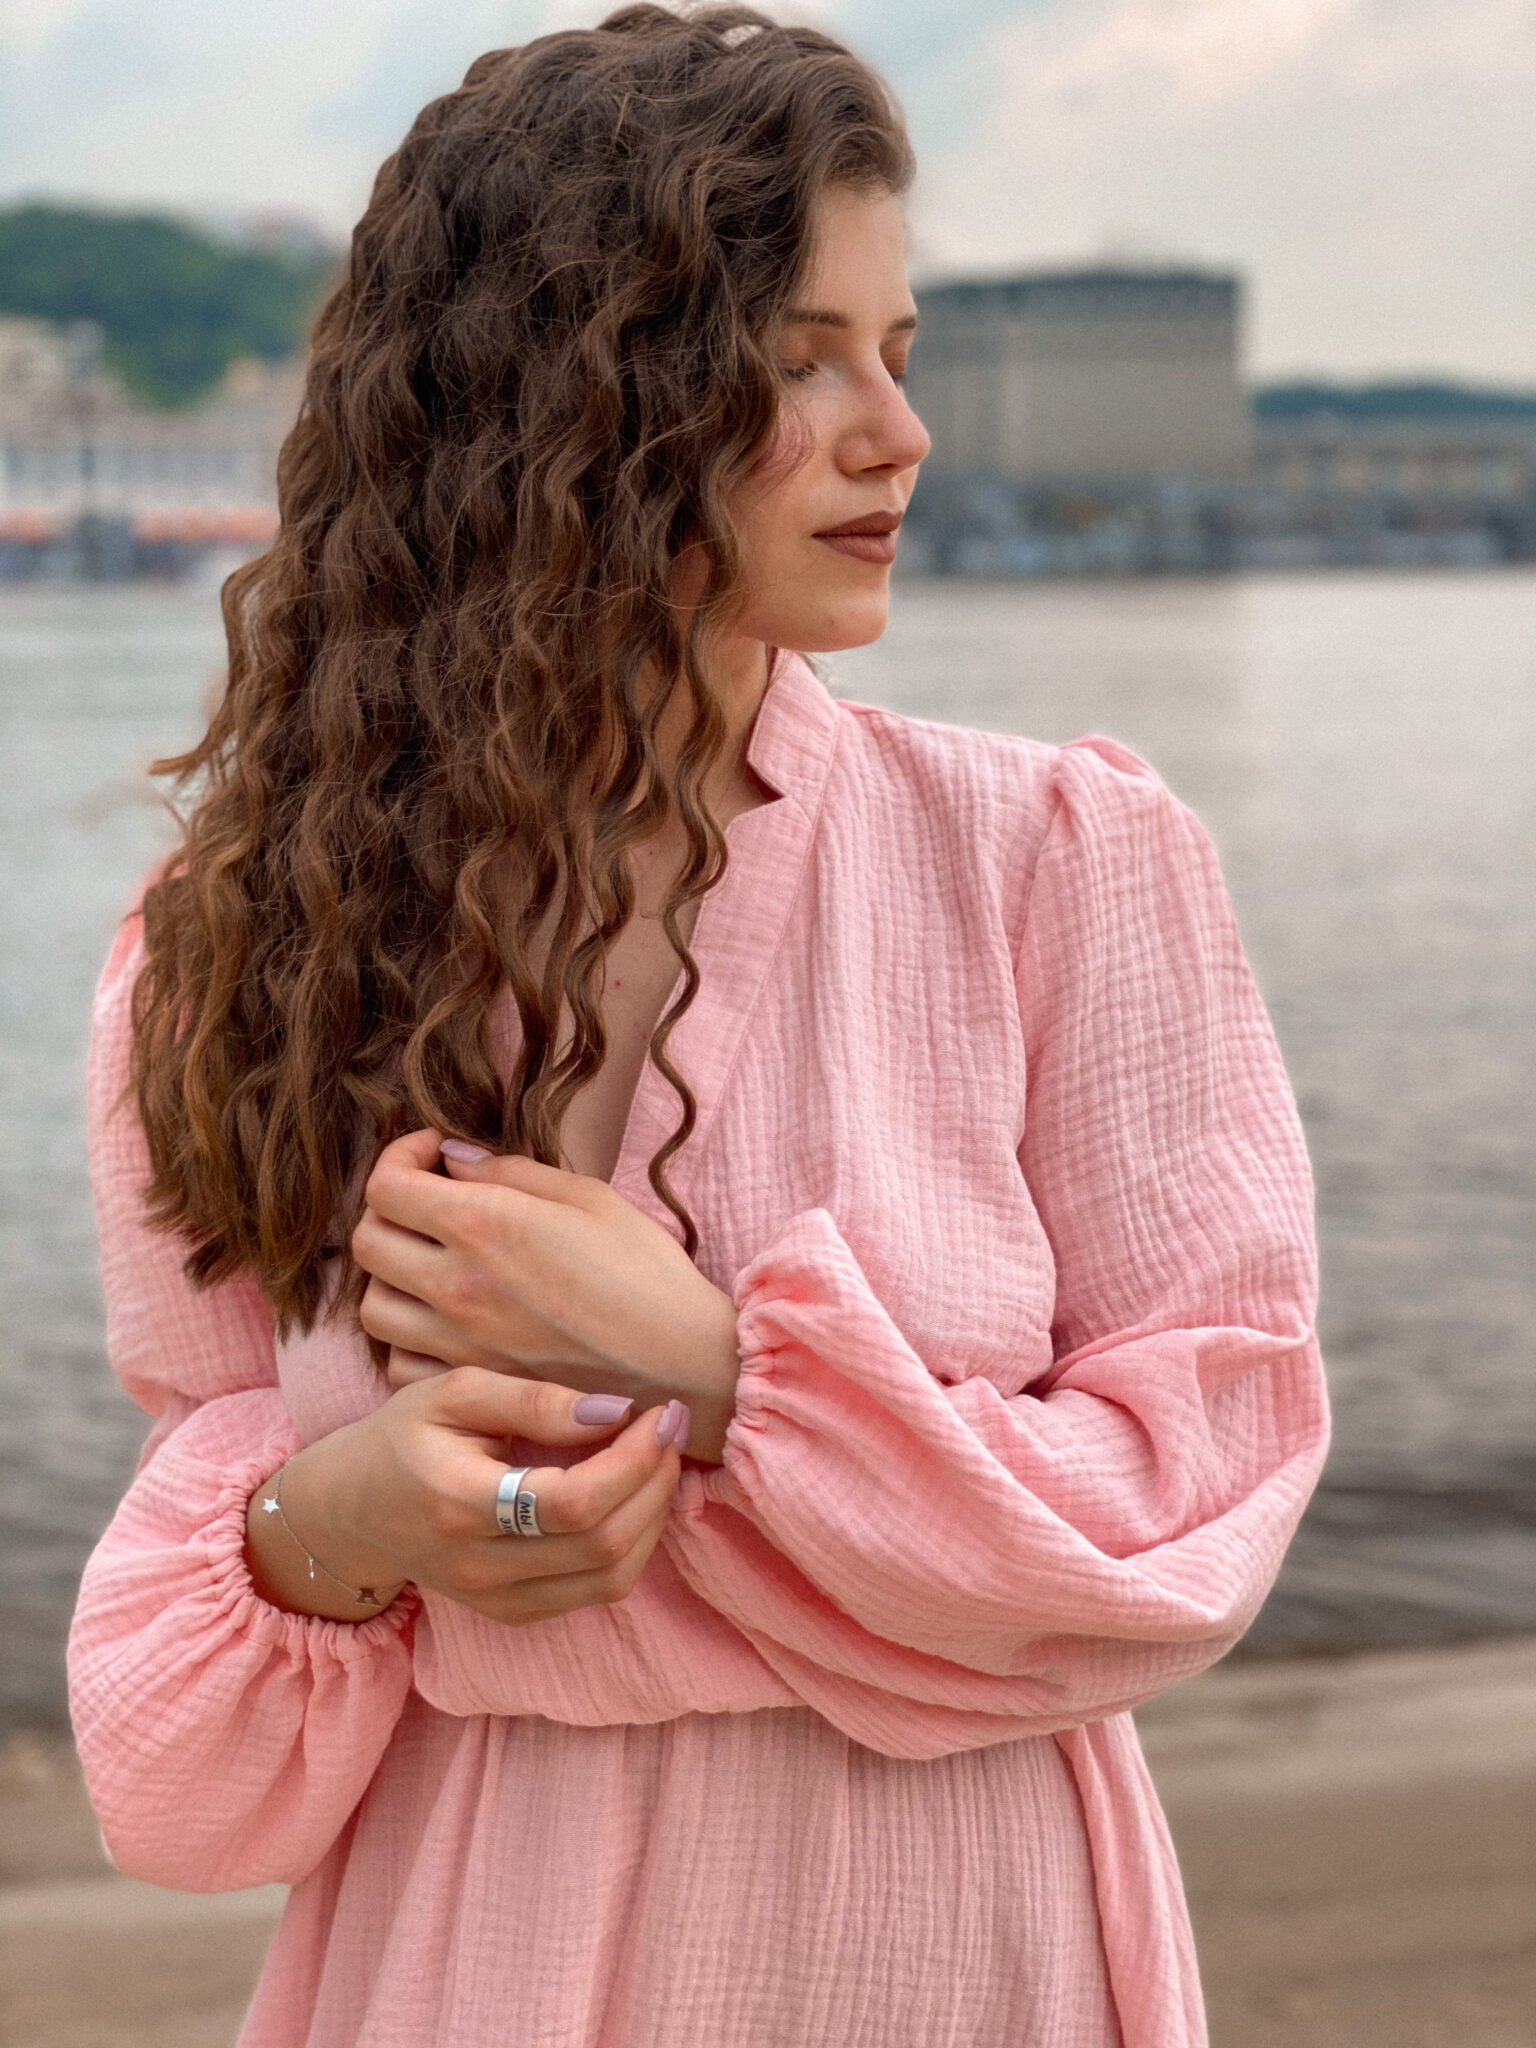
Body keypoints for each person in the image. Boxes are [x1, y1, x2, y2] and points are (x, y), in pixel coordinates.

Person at [69, 8, 1329, 2046]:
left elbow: (1197, 1517)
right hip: (471, 1947)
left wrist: (720, 1367)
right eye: (802, 353)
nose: (899, 433)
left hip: (960, 1939)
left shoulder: (1060, 865)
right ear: (570, 393)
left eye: (897, 355)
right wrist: (350, 1521)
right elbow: (176, 1779)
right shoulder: (242, 946)